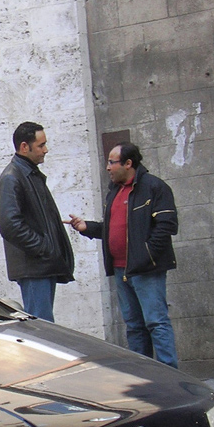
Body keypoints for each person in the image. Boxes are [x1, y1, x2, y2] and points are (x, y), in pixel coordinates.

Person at [68, 142, 179, 367]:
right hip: (121, 270)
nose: (107, 167)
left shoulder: (154, 187)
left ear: (128, 163)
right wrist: (86, 227)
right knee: (134, 326)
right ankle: (144, 375)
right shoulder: (115, 192)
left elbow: (167, 225)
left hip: (146, 269)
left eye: (111, 162)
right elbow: (113, 228)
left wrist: (146, 255)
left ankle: (169, 376)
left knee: (156, 322)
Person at [0, 121, 74, 321]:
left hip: (42, 265)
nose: (45, 150)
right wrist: (43, 247)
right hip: (34, 266)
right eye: (41, 145)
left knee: (44, 325)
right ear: (24, 147)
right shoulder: (12, 178)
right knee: (41, 326)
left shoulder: (29, 174)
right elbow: (9, 224)